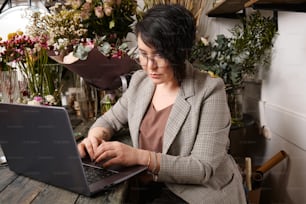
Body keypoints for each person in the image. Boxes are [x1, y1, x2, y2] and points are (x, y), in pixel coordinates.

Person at [78, 4, 247, 204]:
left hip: (197, 193)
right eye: (143, 54)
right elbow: (110, 119)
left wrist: (139, 157)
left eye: (159, 55)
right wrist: (95, 137)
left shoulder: (209, 91)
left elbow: (201, 168)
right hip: (148, 187)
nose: (150, 66)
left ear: (180, 52)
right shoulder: (141, 82)